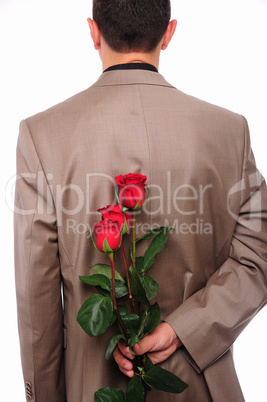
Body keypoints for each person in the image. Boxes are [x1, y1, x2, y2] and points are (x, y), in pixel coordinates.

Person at [14, 0, 267, 401]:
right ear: (169, 34)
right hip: (200, 386)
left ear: (93, 32)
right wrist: (184, 329)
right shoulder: (229, 131)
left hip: (90, 386)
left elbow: (37, 297)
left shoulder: (40, 136)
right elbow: (259, 257)